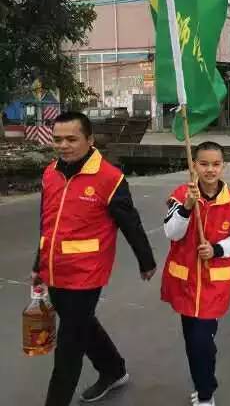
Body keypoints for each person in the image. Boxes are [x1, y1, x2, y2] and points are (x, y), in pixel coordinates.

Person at [32, 112, 157, 406]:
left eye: (71, 139)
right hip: (55, 269)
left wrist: (146, 260)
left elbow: (130, 221)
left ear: (89, 140)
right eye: (58, 139)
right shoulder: (50, 173)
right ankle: (114, 369)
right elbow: (47, 223)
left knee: (69, 345)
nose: (63, 145)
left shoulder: (110, 178)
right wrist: (39, 263)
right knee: (82, 325)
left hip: (87, 273)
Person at [162, 142, 230, 406]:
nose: (210, 169)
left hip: (214, 284)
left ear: (223, 166)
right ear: (193, 165)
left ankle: (205, 394)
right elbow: (172, 232)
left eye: (215, 164)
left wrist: (217, 249)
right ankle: (204, 382)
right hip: (185, 283)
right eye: (203, 164)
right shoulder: (180, 194)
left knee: (202, 341)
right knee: (192, 341)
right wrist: (188, 206)